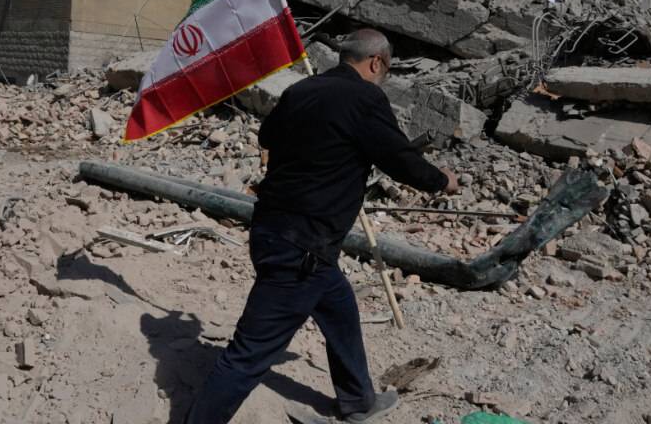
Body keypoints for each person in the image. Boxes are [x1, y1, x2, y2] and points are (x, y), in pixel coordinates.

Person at [185, 29, 459, 423]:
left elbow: (268, 135)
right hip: (303, 247)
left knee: (340, 308)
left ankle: (358, 401)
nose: (385, 75)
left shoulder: (302, 90)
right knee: (248, 354)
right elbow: (398, 157)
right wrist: (440, 180)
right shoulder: (366, 97)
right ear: (376, 62)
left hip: (274, 232)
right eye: (388, 68)